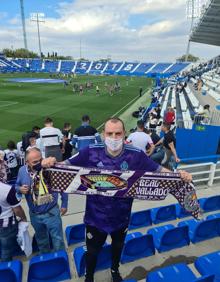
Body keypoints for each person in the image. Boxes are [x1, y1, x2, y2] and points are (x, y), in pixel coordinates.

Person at [42, 117, 192, 282]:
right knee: (92, 252)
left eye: (118, 133)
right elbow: (65, 165)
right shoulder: (91, 151)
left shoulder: (136, 155)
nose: (114, 138)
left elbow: (158, 170)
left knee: (117, 247)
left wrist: (178, 175)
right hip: (95, 217)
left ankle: (115, 270)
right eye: (109, 133)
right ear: (103, 134)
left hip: (121, 216)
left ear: (124, 133)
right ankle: (89, 276)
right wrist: (52, 161)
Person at [15, 148, 68, 254]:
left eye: (40, 159)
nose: (39, 163)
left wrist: (64, 204)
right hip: (35, 214)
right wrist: (19, 189)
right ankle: (46, 260)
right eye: (35, 162)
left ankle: (61, 260)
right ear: (27, 163)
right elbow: (16, 185)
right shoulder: (22, 171)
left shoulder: (50, 168)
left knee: (58, 240)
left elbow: (62, 187)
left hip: (51, 212)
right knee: (42, 241)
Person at [0, 181, 27, 261]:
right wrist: (24, 219)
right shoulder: (7, 189)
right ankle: (6, 270)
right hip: (6, 224)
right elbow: (17, 210)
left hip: (5, 224)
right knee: (6, 251)